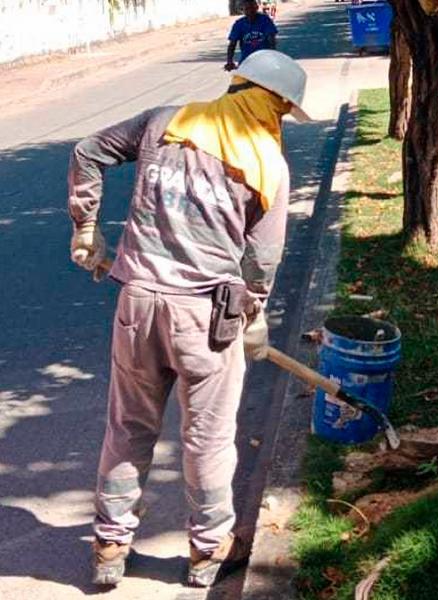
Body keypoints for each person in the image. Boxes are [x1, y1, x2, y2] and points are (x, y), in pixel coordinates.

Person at [67, 49, 310, 589]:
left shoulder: (164, 123)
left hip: (138, 305)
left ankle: (110, 543)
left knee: (128, 427)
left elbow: (88, 151)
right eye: (284, 113)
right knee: (208, 437)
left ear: (236, 86)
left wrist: (87, 225)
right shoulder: (268, 162)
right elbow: (261, 261)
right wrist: (256, 312)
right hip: (206, 318)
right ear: (274, 105)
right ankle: (208, 550)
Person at [225, 0, 278, 71]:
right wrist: (229, 61)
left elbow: (271, 39)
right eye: (247, 9)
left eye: (252, 8)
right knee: (238, 81)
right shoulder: (239, 24)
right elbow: (232, 44)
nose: (250, 11)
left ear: (256, 8)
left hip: (265, 61)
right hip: (246, 62)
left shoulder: (265, 20)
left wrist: (273, 56)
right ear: (242, 10)